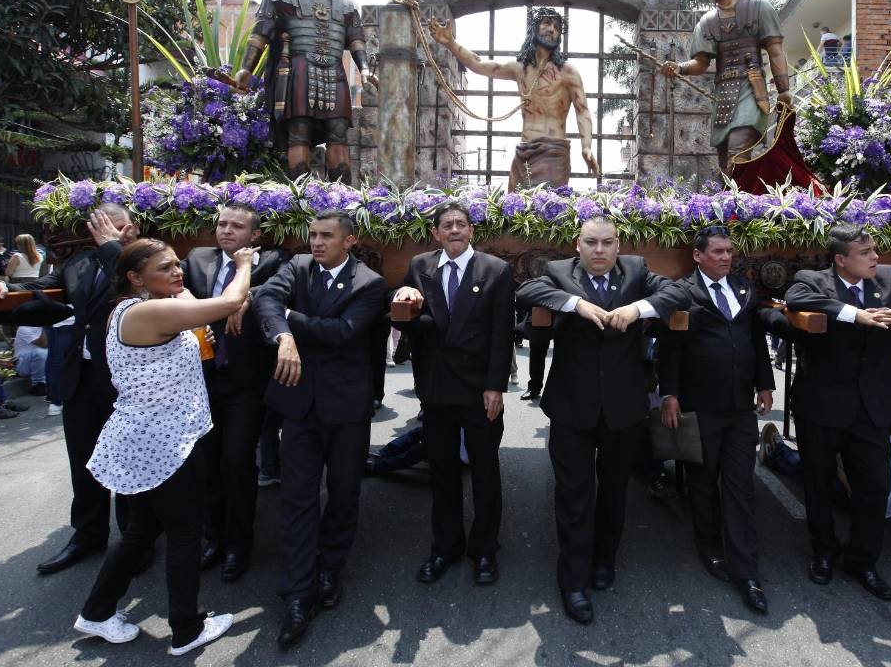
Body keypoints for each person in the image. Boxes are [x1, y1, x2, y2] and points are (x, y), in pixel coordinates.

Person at [73, 238, 252, 655]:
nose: (177, 273)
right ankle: (187, 628)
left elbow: (189, 300)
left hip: (147, 438)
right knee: (185, 533)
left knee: (142, 531)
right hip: (164, 443)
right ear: (135, 278)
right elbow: (229, 303)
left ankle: (97, 612)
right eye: (164, 268)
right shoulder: (150, 311)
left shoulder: (145, 304)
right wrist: (243, 262)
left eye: (177, 265)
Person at [516, 215, 689, 625]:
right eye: (590, 242)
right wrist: (575, 303)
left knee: (613, 492)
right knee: (574, 496)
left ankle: (604, 560)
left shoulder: (636, 270)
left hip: (623, 409)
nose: (599, 250)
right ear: (577, 245)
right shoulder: (559, 273)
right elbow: (527, 291)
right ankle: (572, 580)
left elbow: (679, 293)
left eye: (607, 243)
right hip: (572, 407)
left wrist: (637, 309)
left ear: (618, 245)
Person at [784, 223, 891, 601]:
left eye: (875, 250)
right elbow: (796, 299)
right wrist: (856, 315)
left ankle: (864, 560)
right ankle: (824, 551)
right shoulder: (814, 279)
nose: (876, 257)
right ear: (841, 260)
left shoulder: (888, 279)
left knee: (874, 486)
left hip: (872, 407)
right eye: (866, 252)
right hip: (822, 404)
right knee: (819, 484)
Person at [254, 209, 386, 647]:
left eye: (326, 236)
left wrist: (294, 321)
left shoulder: (369, 283)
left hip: (346, 407)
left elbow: (344, 332)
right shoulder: (297, 267)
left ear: (349, 242)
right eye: (312, 235)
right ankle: (296, 590)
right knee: (297, 496)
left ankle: (331, 566)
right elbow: (266, 299)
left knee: (344, 492)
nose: (316, 242)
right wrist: (283, 337)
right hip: (299, 404)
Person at [391, 202, 514, 586]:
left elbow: (501, 333)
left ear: (472, 231)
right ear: (437, 233)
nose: (455, 230)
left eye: (462, 224)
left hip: (480, 390)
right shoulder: (421, 266)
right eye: (447, 225)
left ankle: (484, 550)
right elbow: (413, 321)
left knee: (484, 472)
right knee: (442, 472)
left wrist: (495, 386)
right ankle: (444, 547)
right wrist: (403, 297)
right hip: (436, 388)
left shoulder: (495, 270)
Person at [15, 205, 141, 575]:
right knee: (84, 458)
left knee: (129, 460)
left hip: (126, 379)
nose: (99, 234)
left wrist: (110, 247)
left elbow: (138, 286)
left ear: (129, 228)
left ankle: (135, 538)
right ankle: (87, 534)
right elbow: (42, 290)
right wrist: (0, 290)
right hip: (82, 374)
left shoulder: (147, 256)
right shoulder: (82, 261)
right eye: (95, 227)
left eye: (109, 227)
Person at [657, 225, 776, 616]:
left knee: (740, 484)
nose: (726, 257)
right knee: (704, 481)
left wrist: (764, 383)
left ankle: (748, 571)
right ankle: (709, 546)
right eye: (718, 252)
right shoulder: (682, 292)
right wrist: (669, 395)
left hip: (740, 407)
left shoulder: (744, 288)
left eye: (729, 251)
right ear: (698, 255)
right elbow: (669, 349)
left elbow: (755, 338)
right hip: (699, 405)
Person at [180, 203, 289, 584]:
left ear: (254, 235)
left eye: (237, 226)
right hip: (201, 379)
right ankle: (214, 537)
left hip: (245, 381)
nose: (226, 231)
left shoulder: (273, 259)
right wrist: (200, 307)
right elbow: (175, 289)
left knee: (237, 461)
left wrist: (245, 295)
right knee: (206, 464)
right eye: (222, 223)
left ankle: (239, 544)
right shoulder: (197, 258)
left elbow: (279, 289)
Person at [660, 0, 818, 191]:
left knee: (738, 151)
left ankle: (739, 211)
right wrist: (680, 67)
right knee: (725, 165)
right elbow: (701, 63)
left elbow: (775, 51)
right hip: (724, 95)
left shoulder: (759, 8)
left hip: (751, 91)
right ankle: (736, 212)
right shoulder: (707, 21)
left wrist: (785, 91)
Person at [234, 0, 368, 181]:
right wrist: (247, 69)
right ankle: (300, 199)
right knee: (300, 132)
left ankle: (341, 197)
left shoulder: (344, 2)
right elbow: (260, 34)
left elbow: (356, 40)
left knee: (339, 132)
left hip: (334, 71)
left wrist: (364, 69)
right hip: (298, 71)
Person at [429, 7, 598, 189]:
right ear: (534, 28)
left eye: (557, 27)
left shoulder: (567, 72)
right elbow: (478, 64)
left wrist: (586, 147)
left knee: (545, 211)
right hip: (523, 151)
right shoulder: (520, 68)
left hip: (553, 153)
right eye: (547, 23)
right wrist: (450, 43)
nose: (552, 30)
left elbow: (582, 110)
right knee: (514, 211)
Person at [13, 324, 49, 396]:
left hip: (36, 362)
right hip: (23, 366)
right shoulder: (24, 328)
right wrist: (46, 326)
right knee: (41, 352)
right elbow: (44, 344)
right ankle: (38, 385)